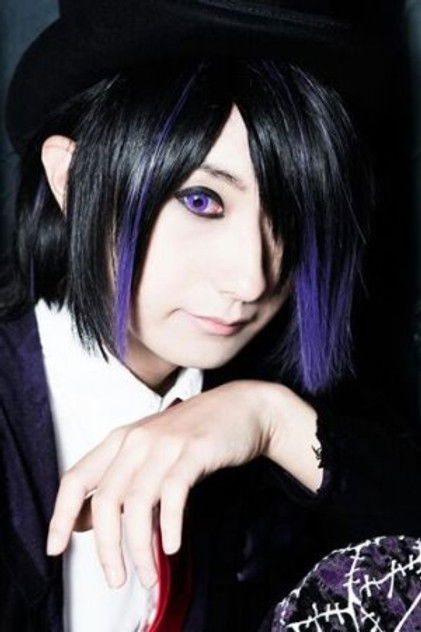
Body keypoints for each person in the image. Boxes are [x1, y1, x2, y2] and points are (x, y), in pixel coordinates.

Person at [1, 2, 420, 631]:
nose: (253, 278)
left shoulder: (273, 418)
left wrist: (272, 422)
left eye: (291, 215)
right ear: (72, 177)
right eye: (201, 200)